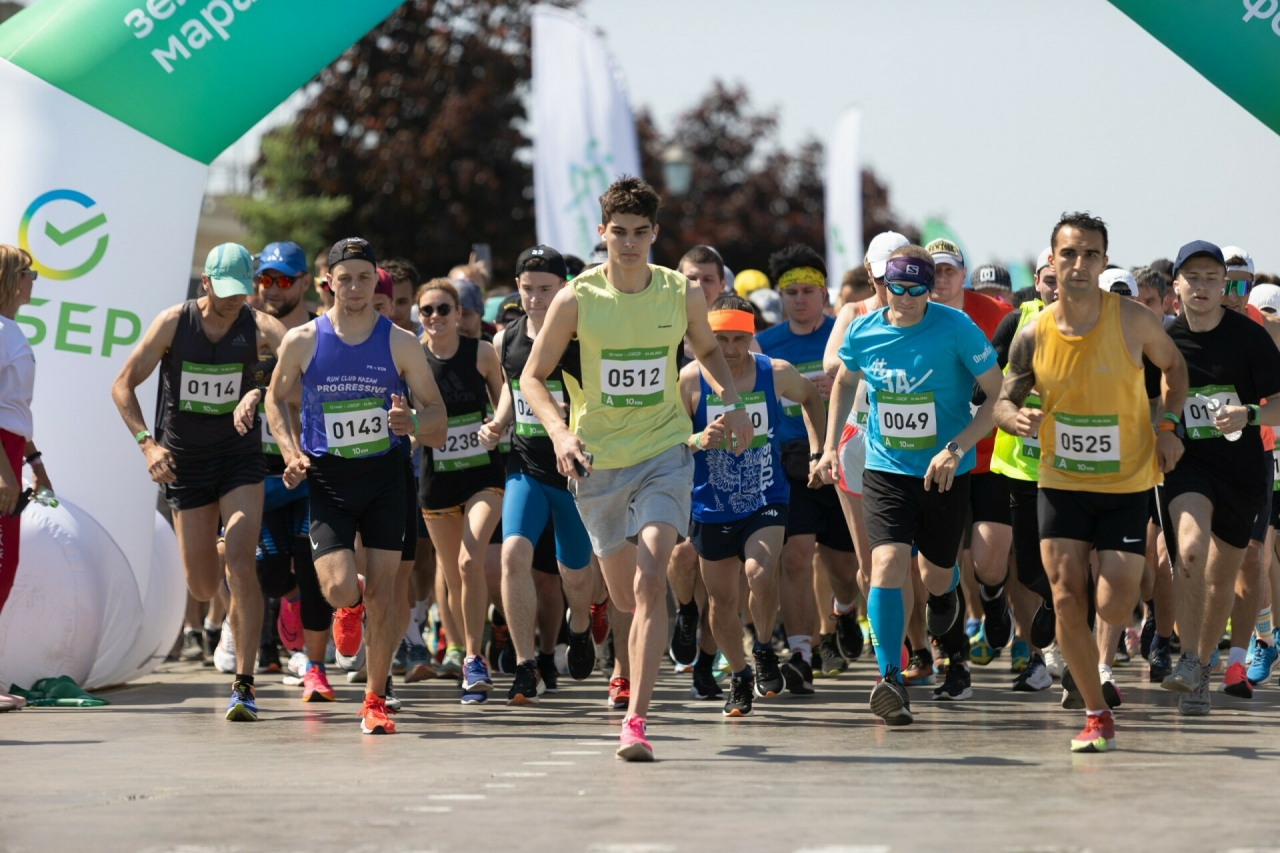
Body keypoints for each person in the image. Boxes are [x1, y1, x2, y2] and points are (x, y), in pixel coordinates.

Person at [520, 176, 752, 761]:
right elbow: (531, 376)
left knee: (652, 582)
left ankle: (636, 720)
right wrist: (560, 432)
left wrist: (734, 403)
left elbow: (705, 351)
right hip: (597, 461)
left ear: (655, 235)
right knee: (624, 594)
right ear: (602, 234)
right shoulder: (577, 298)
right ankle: (602, 610)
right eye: (617, 233)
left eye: (639, 233)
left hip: (665, 453)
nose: (628, 243)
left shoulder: (681, 293)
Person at [994, 212, 1187, 753]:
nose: (1079, 264)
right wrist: (1015, 418)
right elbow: (1005, 399)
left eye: (1091, 255)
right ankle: (1095, 713)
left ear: (1104, 262)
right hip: (1060, 482)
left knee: (1112, 602)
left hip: (1125, 484)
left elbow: (1174, 369)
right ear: (1052, 262)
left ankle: (1105, 643)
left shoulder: (1132, 320)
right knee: (1064, 596)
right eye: (1069, 254)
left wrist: (1168, 426)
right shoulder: (1032, 334)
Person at [265, 237, 447, 735]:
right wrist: (290, 451)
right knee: (340, 586)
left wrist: (413, 421)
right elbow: (274, 399)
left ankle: (374, 698)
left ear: (375, 282)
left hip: (386, 477)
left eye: (364, 277)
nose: (354, 287)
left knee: (388, 592)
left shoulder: (400, 342)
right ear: (329, 284)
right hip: (329, 478)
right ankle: (350, 602)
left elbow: (439, 418)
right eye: (344, 278)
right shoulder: (303, 340)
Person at [818, 246, 1003, 726]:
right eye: (894, 287)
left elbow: (996, 395)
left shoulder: (955, 328)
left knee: (935, 577)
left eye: (914, 288)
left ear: (930, 287)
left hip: (944, 472)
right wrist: (830, 447)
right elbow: (841, 381)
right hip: (886, 469)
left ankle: (948, 603)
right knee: (886, 564)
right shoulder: (864, 329)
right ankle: (889, 679)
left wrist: (957, 449)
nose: (902, 298)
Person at [112, 243, 287, 721]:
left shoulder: (256, 325)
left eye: (242, 292)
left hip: (238, 461)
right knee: (206, 586)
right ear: (204, 283)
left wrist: (258, 387)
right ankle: (220, 554)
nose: (235, 302)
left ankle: (244, 685)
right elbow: (122, 384)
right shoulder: (174, 323)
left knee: (242, 562)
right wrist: (148, 444)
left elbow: (297, 358)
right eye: (225, 291)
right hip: (184, 465)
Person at [682, 294, 826, 716]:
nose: (729, 349)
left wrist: (819, 451)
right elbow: (667, 440)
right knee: (721, 602)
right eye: (720, 338)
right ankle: (740, 675)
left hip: (767, 494)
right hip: (711, 503)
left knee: (760, 571)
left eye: (738, 339)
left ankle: (763, 646)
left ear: (752, 336)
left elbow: (812, 399)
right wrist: (696, 440)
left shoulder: (775, 372)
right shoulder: (690, 381)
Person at [1152, 241, 1280, 713]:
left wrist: (1249, 413)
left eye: (1212, 278)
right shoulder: (1164, 342)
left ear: (1223, 284)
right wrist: (1163, 427)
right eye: (1193, 277)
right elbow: (1144, 399)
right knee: (1188, 549)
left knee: (1222, 577)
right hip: (1187, 466)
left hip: (1242, 474)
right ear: (1177, 286)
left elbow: (1278, 402)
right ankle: (1187, 659)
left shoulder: (1249, 338)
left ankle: (1203, 667)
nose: (1202, 286)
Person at [479, 246, 599, 704]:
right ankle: (526, 664)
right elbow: (515, 388)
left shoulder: (583, 337)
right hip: (525, 465)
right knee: (513, 555)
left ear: (564, 286)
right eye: (526, 289)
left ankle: (581, 626)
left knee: (575, 573)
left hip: (574, 472)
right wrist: (498, 423)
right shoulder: (505, 339)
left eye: (544, 289)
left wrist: (573, 417)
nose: (533, 298)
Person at [756, 245, 861, 693]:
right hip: (790, 462)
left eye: (809, 291)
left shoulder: (843, 338)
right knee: (795, 557)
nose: (800, 300)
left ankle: (843, 609)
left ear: (825, 295)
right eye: (791, 292)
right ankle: (800, 652)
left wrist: (835, 389)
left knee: (844, 568)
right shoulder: (765, 344)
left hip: (840, 458)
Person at [234, 242, 336, 699]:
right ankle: (290, 603)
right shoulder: (250, 330)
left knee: (310, 568)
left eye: (283, 280)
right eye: (265, 280)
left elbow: (322, 395)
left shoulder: (320, 331)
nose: (272, 289)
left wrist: (270, 392)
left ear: (302, 284)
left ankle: (315, 666)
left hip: (310, 466)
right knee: (272, 574)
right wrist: (255, 392)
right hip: (262, 469)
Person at [925, 239, 1013, 699]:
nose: (941, 280)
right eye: (933, 271)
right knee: (938, 569)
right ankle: (952, 660)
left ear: (963, 274)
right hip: (935, 459)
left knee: (989, 560)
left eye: (948, 271)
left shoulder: (995, 312)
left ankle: (995, 599)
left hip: (988, 454)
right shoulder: (913, 315)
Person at [415, 277, 507, 704]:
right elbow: (402, 414)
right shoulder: (411, 358)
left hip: (483, 475)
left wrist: (497, 422)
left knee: (471, 562)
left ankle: (474, 658)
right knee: (453, 576)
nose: (436, 317)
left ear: (460, 314)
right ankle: (464, 646)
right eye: (428, 310)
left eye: (444, 309)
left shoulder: (481, 352)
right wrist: (411, 428)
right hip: (437, 481)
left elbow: (506, 396)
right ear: (420, 316)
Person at [988, 247, 1058, 693]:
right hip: (1018, 468)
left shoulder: (1094, 324)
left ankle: (1051, 660)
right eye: (1049, 279)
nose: (1057, 287)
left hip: (1073, 470)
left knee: (1070, 562)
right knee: (1026, 568)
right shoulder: (1018, 322)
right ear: (1037, 280)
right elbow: (989, 379)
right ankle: (1026, 606)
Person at [668, 244, 730, 699]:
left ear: (721, 286)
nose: (699, 287)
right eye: (691, 278)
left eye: (707, 280)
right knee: (681, 560)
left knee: (725, 587)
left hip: (732, 480)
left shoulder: (742, 342)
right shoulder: (663, 338)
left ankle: (706, 663)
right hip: (676, 474)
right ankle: (685, 611)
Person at [0, 246, 50, 711]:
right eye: (29, 272)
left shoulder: (11, 331)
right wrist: (4, 472)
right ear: (12, 279)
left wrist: (35, 464)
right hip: (1, 459)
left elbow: (16, 411)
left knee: (6, 569)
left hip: (13, 453)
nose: (34, 280)